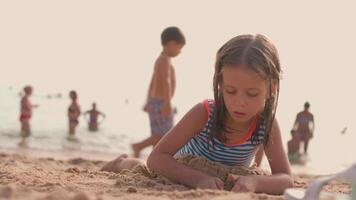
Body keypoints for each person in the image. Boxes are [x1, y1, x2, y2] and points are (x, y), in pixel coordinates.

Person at [147, 34, 293, 194]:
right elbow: (156, 158)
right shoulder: (204, 113)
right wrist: (198, 179)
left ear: (272, 88)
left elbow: (285, 178)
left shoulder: (266, 124)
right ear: (220, 85)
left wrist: (255, 182)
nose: (240, 102)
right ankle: (120, 163)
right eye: (231, 91)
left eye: (252, 94)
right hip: (183, 173)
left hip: (221, 183)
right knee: (132, 165)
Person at [131, 26, 186, 158]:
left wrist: (147, 101)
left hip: (154, 101)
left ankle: (155, 158)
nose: (180, 52)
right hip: (161, 103)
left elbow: (152, 82)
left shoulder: (160, 60)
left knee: (159, 134)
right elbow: (166, 81)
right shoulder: (165, 60)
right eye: (180, 48)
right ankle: (138, 146)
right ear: (172, 44)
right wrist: (167, 103)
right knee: (165, 135)